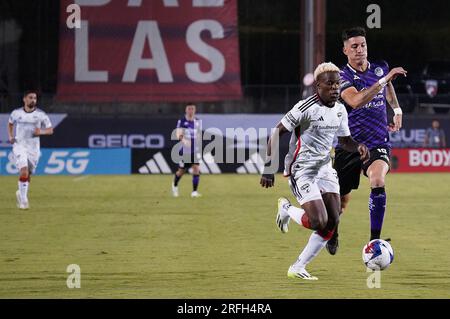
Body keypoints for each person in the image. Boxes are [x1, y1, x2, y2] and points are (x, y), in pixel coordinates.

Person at [260, 62, 369, 280]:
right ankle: (287, 209)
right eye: (329, 84)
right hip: (302, 170)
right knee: (319, 221)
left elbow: (345, 140)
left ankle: (298, 267)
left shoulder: (339, 109)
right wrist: (268, 169)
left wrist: (357, 146)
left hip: (325, 168)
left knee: (334, 219)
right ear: (317, 86)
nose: (335, 88)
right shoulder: (304, 107)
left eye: (338, 84)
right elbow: (276, 132)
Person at [327, 27, 407, 255]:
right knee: (339, 202)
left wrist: (397, 109)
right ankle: (333, 229)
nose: (360, 50)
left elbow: (388, 87)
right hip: (349, 144)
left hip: (377, 141)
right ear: (345, 50)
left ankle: (374, 242)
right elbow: (356, 101)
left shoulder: (379, 68)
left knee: (378, 180)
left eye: (363, 45)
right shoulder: (341, 77)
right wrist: (384, 81)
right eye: (354, 46)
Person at [7, 90, 53, 209]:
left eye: (35, 98)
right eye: (31, 97)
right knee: (23, 170)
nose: (33, 100)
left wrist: (41, 131)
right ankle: (23, 201)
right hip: (19, 145)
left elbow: (50, 130)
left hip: (33, 148)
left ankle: (20, 193)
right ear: (24, 99)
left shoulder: (41, 114)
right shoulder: (16, 113)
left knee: (28, 174)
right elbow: (10, 123)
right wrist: (11, 136)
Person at [171, 103, 202, 198]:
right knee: (181, 171)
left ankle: (194, 192)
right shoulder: (182, 121)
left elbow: (199, 135)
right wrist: (184, 140)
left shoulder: (197, 122)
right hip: (184, 152)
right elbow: (178, 133)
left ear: (195, 110)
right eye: (189, 108)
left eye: (192, 108)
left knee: (196, 169)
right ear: (186, 110)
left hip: (194, 151)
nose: (191, 110)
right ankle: (175, 186)